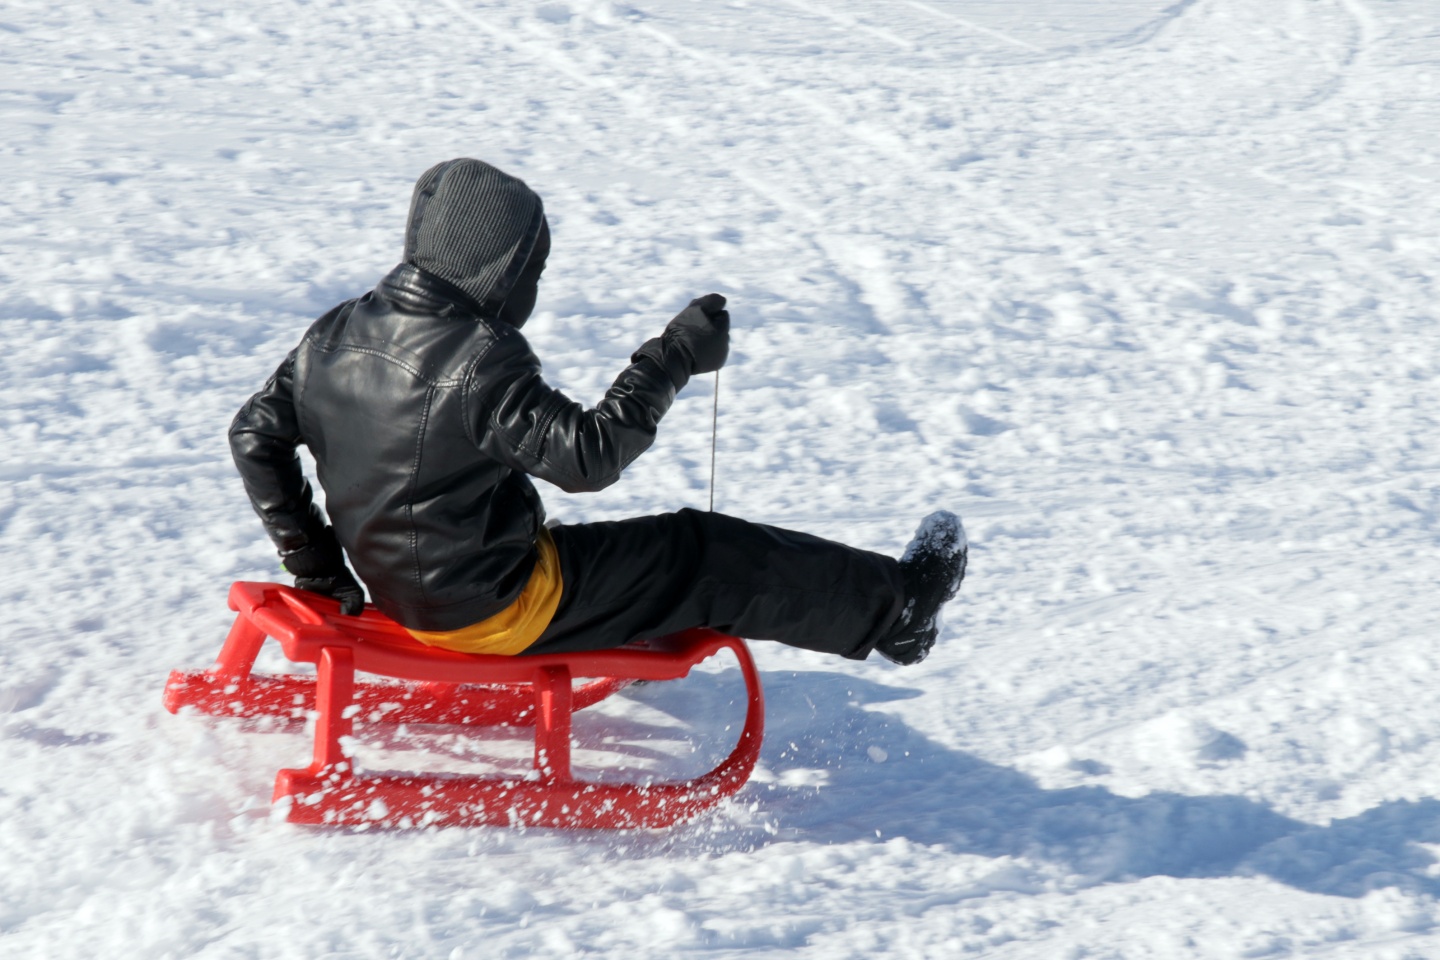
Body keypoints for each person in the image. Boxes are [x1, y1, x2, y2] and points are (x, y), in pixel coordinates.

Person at [229, 158, 966, 665]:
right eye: (530, 270)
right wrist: (672, 355)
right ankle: (897, 614)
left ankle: (862, 608)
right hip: (492, 607)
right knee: (701, 553)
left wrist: (319, 566)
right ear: (498, 269)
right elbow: (589, 459)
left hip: (397, 584)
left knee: (647, 555)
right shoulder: (479, 358)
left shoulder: (334, 331)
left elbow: (253, 435)